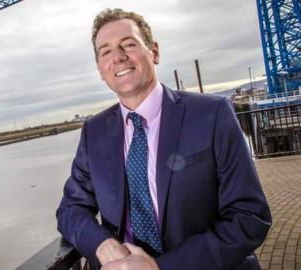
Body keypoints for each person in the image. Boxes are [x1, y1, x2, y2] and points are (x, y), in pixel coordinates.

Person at [56, 8, 271, 270]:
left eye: (129, 44)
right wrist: (103, 245)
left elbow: (249, 216)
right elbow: (70, 210)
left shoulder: (212, 114)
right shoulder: (93, 132)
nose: (119, 57)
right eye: (106, 51)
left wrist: (160, 267)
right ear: (101, 69)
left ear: (154, 51)